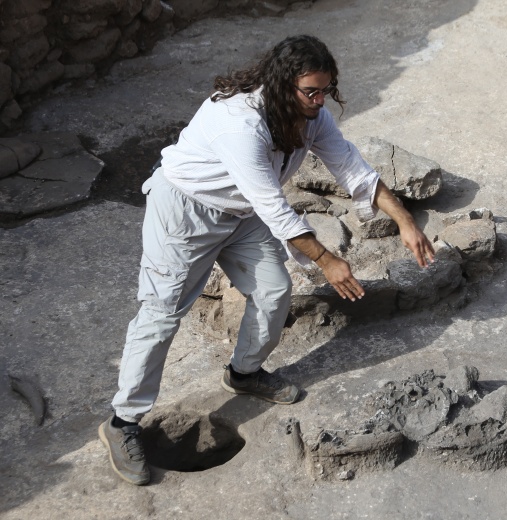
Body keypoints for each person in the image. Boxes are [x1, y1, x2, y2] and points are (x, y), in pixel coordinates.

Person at [98, 34, 435, 485]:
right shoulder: (241, 124)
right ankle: (122, 423)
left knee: (275, 290)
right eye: (311, 91)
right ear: (281, 85)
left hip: (241, 212)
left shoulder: (310, 115)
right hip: (186, 210)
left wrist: (406, 221)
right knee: (161, 316)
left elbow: (352, 168)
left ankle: (244, 372)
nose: (320, 100)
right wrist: (328, 261)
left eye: (326, 89)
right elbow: (275, 209)